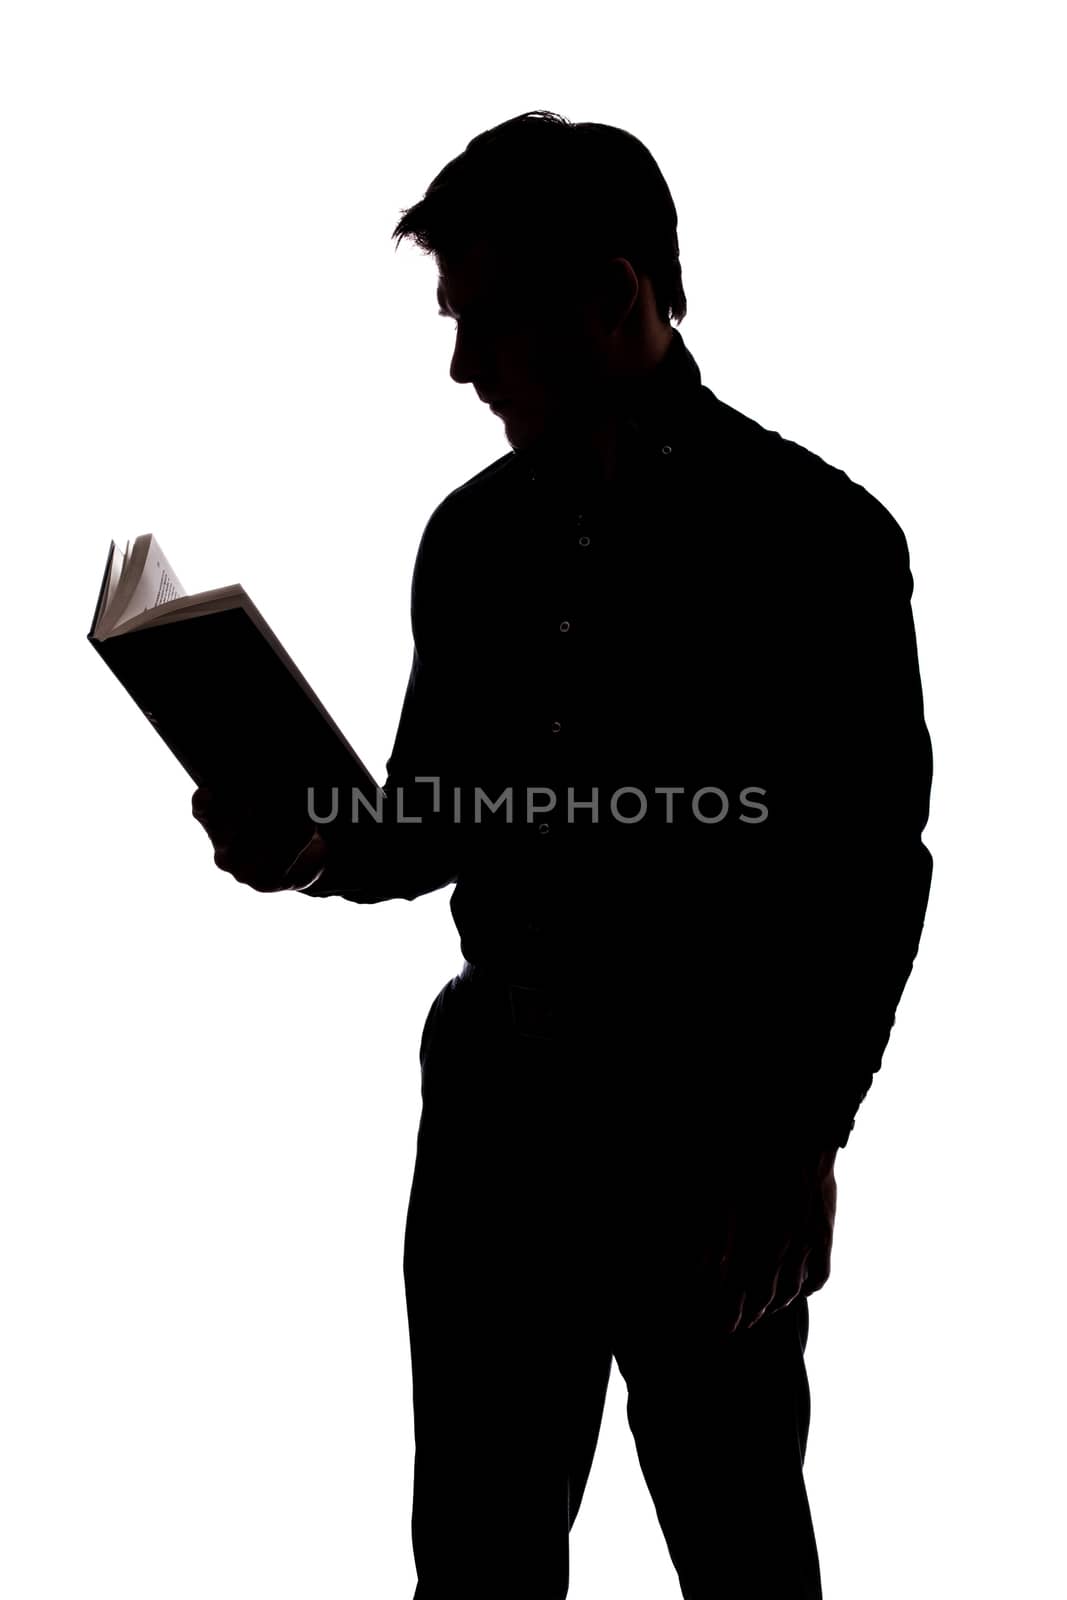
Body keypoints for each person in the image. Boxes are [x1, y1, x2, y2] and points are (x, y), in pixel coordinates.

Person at [192, 110, 934, 1599]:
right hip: (492, 1123)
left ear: (615, 299)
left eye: (484, 324)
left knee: (737, 1544)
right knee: (473, 1552)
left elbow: (874, 866)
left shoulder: (821, 538)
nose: (461, 371)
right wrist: (309, 844)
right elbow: (437, 820)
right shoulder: (468, 539)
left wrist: (805, 1134)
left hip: (711, 1138)